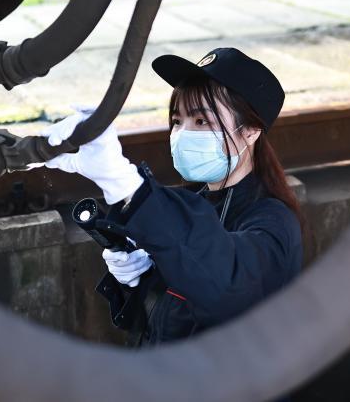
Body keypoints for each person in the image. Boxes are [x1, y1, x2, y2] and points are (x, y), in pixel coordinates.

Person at [41, 47, 305, 345]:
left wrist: (125, 183)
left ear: (251, 131)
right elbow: (166, 321)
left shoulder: (274, 223)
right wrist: (141, 280)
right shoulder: (198, 199)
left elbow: (226, 283)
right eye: (177, 121)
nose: (181, 133)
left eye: (202, 121)